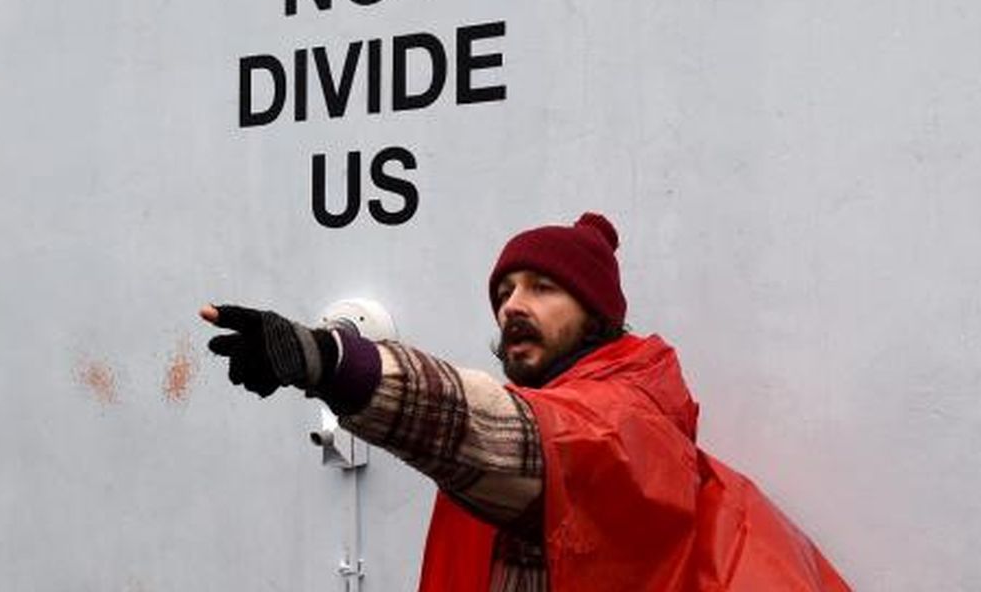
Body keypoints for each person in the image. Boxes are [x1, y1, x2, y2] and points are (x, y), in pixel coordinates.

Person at [202, 212, 850, 591]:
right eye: (505, 290)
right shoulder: (536, 411)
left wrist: (337, 363)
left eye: (543, 287)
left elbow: (524, 440)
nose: (514, 305)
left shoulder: (628, 422)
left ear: (596, 316)